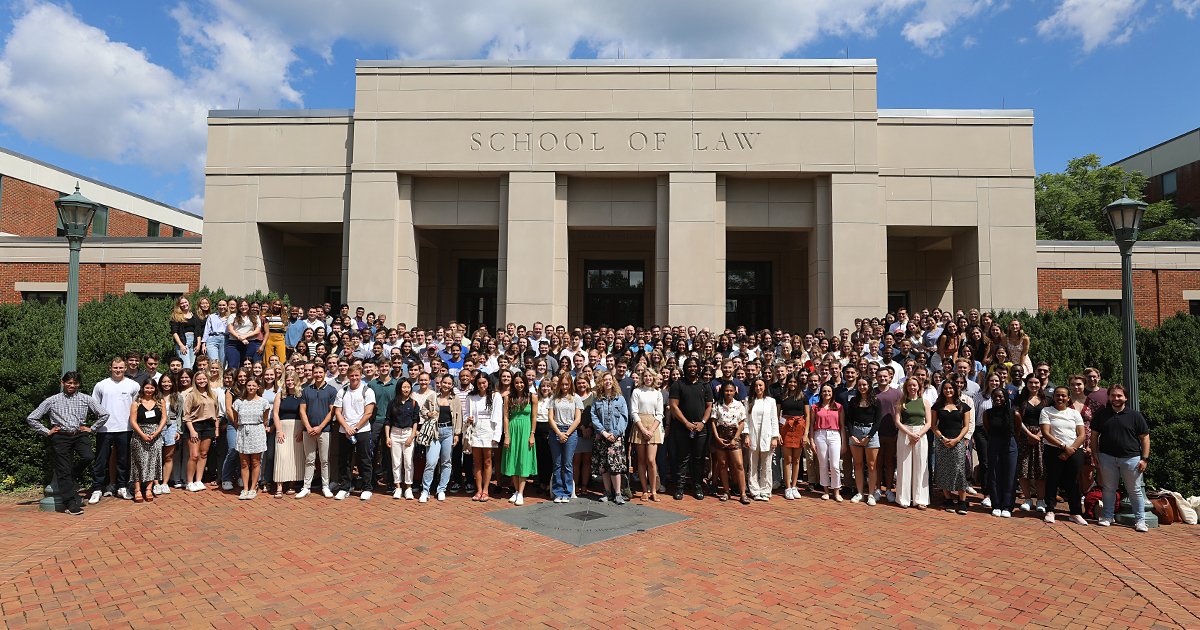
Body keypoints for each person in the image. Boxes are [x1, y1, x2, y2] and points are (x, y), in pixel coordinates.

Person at [26, 371, 110, 515]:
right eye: (69, 383)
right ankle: (70, 503)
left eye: (75, 383)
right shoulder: (52, 400)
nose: (72, 385)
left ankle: (71, 476)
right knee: (63, 469)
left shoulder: (86, 399)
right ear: (62, 383)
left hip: (79, 434)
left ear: (79, 384)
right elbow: (32, 418)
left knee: (88, 457)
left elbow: (104, 414)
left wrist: (92, 428)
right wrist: (46, 431)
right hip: (60, 437)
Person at [1091, 384, 1150, 531]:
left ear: (1125, 397)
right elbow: (1094, 436)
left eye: (1119, 396)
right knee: (1109, 488)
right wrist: (1095, 454)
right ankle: (1107, 516)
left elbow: (1145, 438)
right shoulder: (1101, 414)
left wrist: (1144, 458)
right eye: (1113, 395)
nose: (1116, 398)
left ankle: (1140, 521)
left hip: (1131, 458)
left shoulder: (1135, 416)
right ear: (1109, 397)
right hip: (1106, 457)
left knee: (1134, 490)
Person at [90, 357, 140, 503]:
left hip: (125, 428)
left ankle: (122, 486)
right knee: (101, 459)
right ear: (110, 368)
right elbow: (94, 405)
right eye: (115, 368)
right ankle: (97, 488)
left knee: (123, 460)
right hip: (104, 429)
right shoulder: (101, 385)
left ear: (125, 368)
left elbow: (136, 406)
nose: (118, 370)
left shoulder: (134, 385)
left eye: (120, 368)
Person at [1040, 386, 1087, 525]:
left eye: (1063, 396)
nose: (1060, 398)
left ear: (1068, 398)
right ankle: (1050, 510)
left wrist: (1071, 449)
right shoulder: (1046, 411)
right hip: (1054, 450)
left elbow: (1082, 434)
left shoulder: (1074, 413)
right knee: (1052, 480)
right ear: (1053, 397)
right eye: (1057, 395)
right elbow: (1046, 433)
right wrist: (1064, 447)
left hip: (1074, 451)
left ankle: (1075, 512)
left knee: (1073, 482)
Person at [668, 357, 713, 501]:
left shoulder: (705, 385)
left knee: (698, 459)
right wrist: (686, 423)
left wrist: (702, 422)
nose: (692, 368)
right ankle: (679, 487)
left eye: (695, 366)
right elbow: (674, 406)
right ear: (685, 368)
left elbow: (709, 407)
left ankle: (697, 486)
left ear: (698, 368)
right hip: (682, 428)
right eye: (689, 366)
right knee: (682, 458)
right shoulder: (678, 384)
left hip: (701, 429)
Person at [333, 366, 376, 501]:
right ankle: (345, 487)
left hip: (362, 430)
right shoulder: (342, 392)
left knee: (364, 459)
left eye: (357, 375)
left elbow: (368, 412)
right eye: (352, 375)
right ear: (348, 376)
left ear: (360, 375)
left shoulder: (367, 391)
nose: (354, 378)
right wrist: (347, 428)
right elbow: (338, 412)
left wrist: (356, 428)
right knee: (344, 460)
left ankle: (366, 488)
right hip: (345, 431)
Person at [931, 380, 972, 515]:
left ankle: (962, 501)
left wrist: (957, 440)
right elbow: (933, 425)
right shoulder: (937, 406)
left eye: (950, 388)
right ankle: (948, 499)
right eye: (945, 388)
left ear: (955, 390)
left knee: (959, 470)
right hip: (942, 442)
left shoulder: (963, 406)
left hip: (958, 442)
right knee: (944, 469)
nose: (948, 391)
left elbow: (966, 426)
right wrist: (942, 438)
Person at [420, 374, 462, 503]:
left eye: (449, 383)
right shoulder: (433, 396)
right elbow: (423, 409)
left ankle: (441, 489)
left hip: (449, 431)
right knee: (431, 462)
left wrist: (457, 434)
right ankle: (425, 490)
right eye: (444, 383)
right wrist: (428, 414)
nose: (446, 385)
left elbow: (459, 417)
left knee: (446, 462)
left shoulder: (455, 399)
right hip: (435, 432)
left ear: (452, 385)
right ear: (440, 383)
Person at [298, 364, 338, 499]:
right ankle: (306, 487)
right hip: (308, 431)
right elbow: (302, 410)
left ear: (325, 373)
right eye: (316, 372)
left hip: (325, 430)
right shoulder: (306, 390)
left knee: (324, 460)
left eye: (320, 372)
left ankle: (325, 486)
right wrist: (308, 427)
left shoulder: (332, 390)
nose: (318, 375)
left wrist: (320, 427)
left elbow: (332, 412)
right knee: (309, 459)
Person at [590, 372, 628, 504]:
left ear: (613, 382)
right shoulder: (597, 399)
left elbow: (624, 417)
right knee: (604, 466)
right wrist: (603, 432)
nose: (607, 382)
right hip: (602, 437)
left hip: (615, 437)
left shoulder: (620, 399)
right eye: (605, 380)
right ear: (602, 382)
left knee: (615, 466)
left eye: (609, 379)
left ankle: (618, 493)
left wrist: (615, 433)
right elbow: (594, 416)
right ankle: (607, 492)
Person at [465, 372, 503, 501]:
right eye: (479, 383)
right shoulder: (471, 396)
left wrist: (496, 436)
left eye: (484, 382)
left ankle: (486, 490)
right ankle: (479, 490)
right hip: (475, 430)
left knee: (487, 460)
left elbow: (498, 417)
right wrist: (468, 418)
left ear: (488, 383)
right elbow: (466, 413)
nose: (482, 385)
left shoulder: (495, 396)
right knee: (477, 462)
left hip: (489, 430)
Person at [229, 377, 270, 500]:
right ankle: (245, 488)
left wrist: (256, 427)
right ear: (245, 387)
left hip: (257, 431)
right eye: (249, 385)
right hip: (243, 432)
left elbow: (265, 420)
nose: (251, 388)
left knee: (256, 462)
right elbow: (236, 420)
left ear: (258, 387)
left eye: (253, 385)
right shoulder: (238, 402)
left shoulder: (263, 402)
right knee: (244, 463)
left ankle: (253, 488)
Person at [894, 378, 932, 510]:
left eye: (914, 385)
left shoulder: (925, 402)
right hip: (905, 433)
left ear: (919, 386)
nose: (912, 387)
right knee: (904, 466)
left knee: (921, 466)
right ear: (906, 387)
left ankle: (920, 499)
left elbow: (929, 422)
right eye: (910, 385)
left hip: (920, 434)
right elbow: (897, 421)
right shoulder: (901, 402)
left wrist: (918, 434)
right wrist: (909, 434)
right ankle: (903, 499)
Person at [501, 372, 538, 505]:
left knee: (523, 460)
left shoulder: (532, 397)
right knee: (513, 460)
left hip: (526, 430)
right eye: (516, 382)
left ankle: (521, 492)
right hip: (512, 429)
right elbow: (505, 416)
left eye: (521, 382)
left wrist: (532, 434)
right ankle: (516, 491)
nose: (519, 385)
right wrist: (506, 435)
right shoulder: (508, 397)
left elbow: (534, 417)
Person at [710, 382, 749, 504]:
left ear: (735, 392)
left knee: (739, 465)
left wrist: (735, 438)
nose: (729, 393)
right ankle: (726, 491)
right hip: (721, 435)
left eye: (731, 391)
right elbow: (713, 421)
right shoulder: (718, 405)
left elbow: (742, 423)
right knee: (722, 464)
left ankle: (743, 493)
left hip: (734, 435)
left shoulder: (739, 405)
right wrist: (717, 437)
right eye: (726, 390)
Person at [845, 376, 882, 505]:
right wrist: (851, 435)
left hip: (871, 433)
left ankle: (871, 494)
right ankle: (860, 492)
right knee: (858, 464)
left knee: (872, 465)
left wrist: (869, 437)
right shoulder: (853, 401)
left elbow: (878, 421)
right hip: (855, 432)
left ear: (869, 386)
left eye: (864, 385)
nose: (862, 387)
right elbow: (848, 419)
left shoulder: (876, 401)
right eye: (859, 385)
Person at [129, 379, 167, 503]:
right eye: (147, 388)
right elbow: (133, 421)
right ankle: (137, 490)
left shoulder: (160, 401)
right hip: (139, 434)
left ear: (155, 389)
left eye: (152, 388)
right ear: (143, 388)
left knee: (153, 462)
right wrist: (142, 434)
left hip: (155, 434)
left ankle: (149, 489)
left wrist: (157, 432)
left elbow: (163, 418)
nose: (149, 390)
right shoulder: (137, 402)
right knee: (138, 462)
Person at [629, 368, 665, 501]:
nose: (648, 378)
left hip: (654, 426)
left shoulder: (657, 393)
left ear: (653, 377)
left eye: (650, 376)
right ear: (642, 377)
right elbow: (633, 412)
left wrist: (651, 430)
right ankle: (644, 490)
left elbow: (660, 413)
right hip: (639, 426)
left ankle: (653, 490)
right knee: (641, 460)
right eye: (645, 376)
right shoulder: (637, 391)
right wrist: (643, 429)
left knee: (651, 460)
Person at [743, 377, 780, 502]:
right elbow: (746, 420)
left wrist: (775, 437)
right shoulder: (749, 400)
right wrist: (746, 435)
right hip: (753, 435)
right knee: (753, 464)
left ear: (765, 387)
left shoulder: (770, 401)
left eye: (761, 385)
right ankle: (754, 490)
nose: (758, 388)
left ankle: (765, 490)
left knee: (766, 464)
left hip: (767, 436)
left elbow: (774, 420)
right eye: (756, 385)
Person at [982, 387, 1017, 518]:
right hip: (994, 443)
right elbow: (987, 428)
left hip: (1010, 444)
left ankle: (1007, 506)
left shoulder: (1014, 413)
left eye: (1001, 396)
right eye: (995, 397)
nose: (998, 399)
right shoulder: (987, 413)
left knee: (1010, 475)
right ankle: (996, 505)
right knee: (995, 474)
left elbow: (1017, 430)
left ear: (1006, 398)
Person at [1015, 375, 1047, 512]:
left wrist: (1039, 434)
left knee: (1040, 469)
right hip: (1024, 436)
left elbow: (1049, 419)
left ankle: (1040, 500)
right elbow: (1017, 418)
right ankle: (1027, 499)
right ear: (1026, 384)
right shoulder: (1020, 399)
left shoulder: (1046, 401)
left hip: (1042, 436)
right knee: (1024, 468)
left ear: (1040, 384)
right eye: (1030, 382)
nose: (1033, 385)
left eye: (1036, 382)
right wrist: (1029, 434)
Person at [548, 376, 582, 503]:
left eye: (567, 384)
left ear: (570, 384)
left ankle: (567, 492)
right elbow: (551, 418)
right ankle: (558, 492)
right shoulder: (553, 398)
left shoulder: (576, 398)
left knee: (567, 464)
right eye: (562, 384)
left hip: (570, 431)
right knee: (557, 464)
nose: (564, 387)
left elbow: (578, 419)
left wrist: (566, 434)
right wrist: (559, 433)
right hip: (556, 430)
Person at [183, 370, 219, 492]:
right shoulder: (191, 394)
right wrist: (192, 431)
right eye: (199, 379)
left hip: (209, 425)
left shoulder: (213, 394)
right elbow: (186, 415)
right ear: (195, 381)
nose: (202, 381)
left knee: (203, 454)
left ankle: (198, 480)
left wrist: (216, 429)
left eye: (204, 379)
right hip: (195, 425)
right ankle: (189, 481)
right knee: (194, 455)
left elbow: (217, 413)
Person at [385, 378, 421, 500]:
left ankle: (408, 488)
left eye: (408, 387)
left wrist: (412, 436)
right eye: (404, 387)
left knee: (408, 462)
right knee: (396, 462)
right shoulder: (392, 403)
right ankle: (398, 487)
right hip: (394, 433)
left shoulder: (414, 403)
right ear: (399, 388)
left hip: (408, 433)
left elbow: (415, 421)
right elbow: (388, 421)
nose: (406, 389)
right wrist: (387, 437)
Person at [271, 373, 305, 497]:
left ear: (296, 381)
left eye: (292, 380)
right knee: (281, 456)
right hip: (283, 428)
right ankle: (279, 486)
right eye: (288, 380)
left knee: (295, 456)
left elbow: (304, 414)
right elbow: (275, 413)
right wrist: (279, 430)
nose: (290, 382)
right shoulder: (280, 395)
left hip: (297, 428)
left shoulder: (301, 395)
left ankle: (291, 485)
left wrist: (301, 430)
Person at [809, 384, 845, 502]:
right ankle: (825, 490)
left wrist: (844, 442)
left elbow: (842, 426)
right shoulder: (815, 407)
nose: (826, 393)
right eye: (824, 391)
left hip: (834, 435)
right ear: (821, 393)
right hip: (820, 435)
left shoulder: (838, 407)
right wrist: (812, 440)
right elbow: (811, 425)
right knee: (823, 464)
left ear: (832, 393)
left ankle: (836, 490)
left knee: (835, 465)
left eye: (829, 391)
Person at [778, 373, 808, 501]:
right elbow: (777, 414)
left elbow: (808, 416)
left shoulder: (803, 397)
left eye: (795, 382)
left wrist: (806, 434)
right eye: (790, 382)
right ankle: (788, 487)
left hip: (799, 428)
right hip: (785, 428)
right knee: (787, 459)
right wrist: (778, 432)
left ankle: (794, 486)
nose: (793, 384)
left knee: (796, 459)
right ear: (787, 383)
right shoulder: (782, 397)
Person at [155, 373, 183, 495]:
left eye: (169, 382)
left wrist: (178, 430)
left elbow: (180, 415)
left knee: (168, 456)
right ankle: (156, 484)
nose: (166, 384)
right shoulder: (155, 396)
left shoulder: (177, 396)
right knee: (155, 456)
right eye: (164, 382)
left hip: (171, 426)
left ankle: (165, 483)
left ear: (173, 383)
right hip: (156, 426)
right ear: (160, 383)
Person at [170, 296, 204, 370]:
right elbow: (174, 332)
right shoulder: (176, 316)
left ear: (189, 303)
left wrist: (198, 345)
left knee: (191, 366)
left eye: (185, 302)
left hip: (193, 342)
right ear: (179, 305)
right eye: (181, 303)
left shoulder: (195, 316)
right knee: (186, 366)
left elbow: (198, 332)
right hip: (183, 341)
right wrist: (181, 345)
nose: (184, 304)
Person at [203, 299, 229, 369]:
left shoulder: (230, 317)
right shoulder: (212, 316)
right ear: (217, 306)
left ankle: (221, 379)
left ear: (227, 306)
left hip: (225, 339)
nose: (222, 307)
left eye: (223, 305)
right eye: (220, 305)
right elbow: (206, 331)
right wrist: (203, 344)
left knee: (222, 363)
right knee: (213, 362)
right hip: (212, 339)